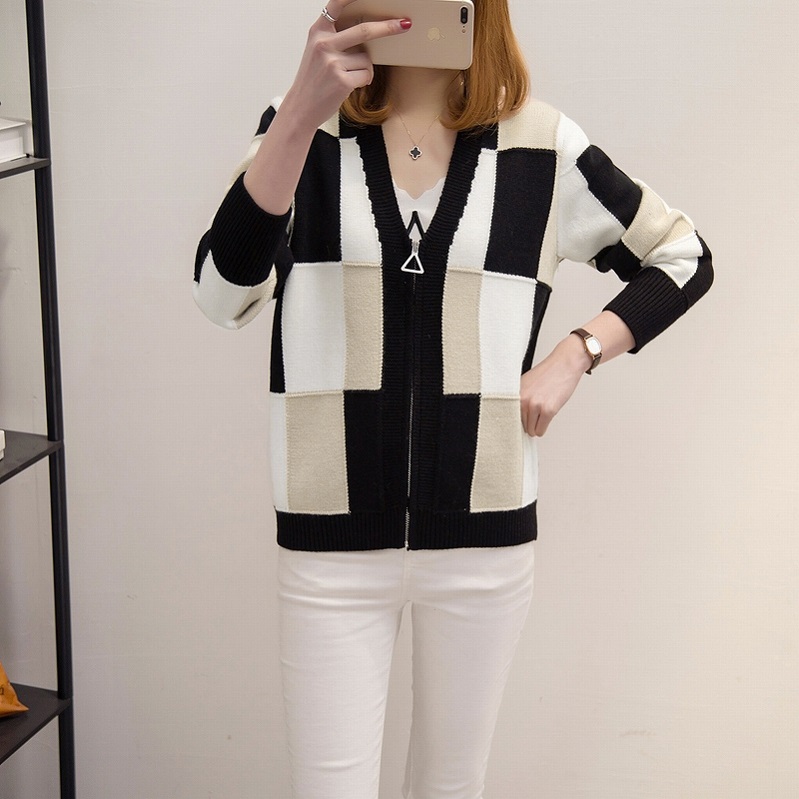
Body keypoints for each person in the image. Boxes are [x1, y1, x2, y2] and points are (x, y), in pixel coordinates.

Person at [194, 1, 713, 796]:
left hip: (484, 541)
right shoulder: (305, 132)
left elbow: (682, 256)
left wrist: (576, 353)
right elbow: (220, 292)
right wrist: (299, 109)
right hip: (329, 540)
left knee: (451, 787)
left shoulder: (541, 145)